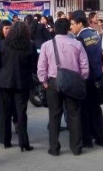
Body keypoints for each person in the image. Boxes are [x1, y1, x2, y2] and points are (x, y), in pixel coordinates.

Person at [38, 18, 89, 157]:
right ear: (68, 29)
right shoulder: (77, 44)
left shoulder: (47, 45)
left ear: (54, 29)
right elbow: (84, 65)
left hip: (53, 83)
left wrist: (44, 81)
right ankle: (76, 148)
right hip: (73, 82)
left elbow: (42, 66)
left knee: (54, 116)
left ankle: (54, 148)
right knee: (74, 115)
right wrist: (82, 78)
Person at [0, 21, 34, 151]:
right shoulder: (30, 45)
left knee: (5, 112)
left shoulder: (3, 44)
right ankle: (24, 142)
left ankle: (6, 140)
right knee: (21, 113)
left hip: (4, 82)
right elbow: (34, 65)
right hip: (22, 82)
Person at [70, 10, 103, 148]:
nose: (71, 27)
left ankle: (87, 139)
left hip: (85, 79)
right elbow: (101, 57)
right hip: (97, 77)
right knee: (96, 109)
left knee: (84, 110)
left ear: (80, 23)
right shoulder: (95, 35)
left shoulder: (78, 39)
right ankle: (101, 138)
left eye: (73, 24)